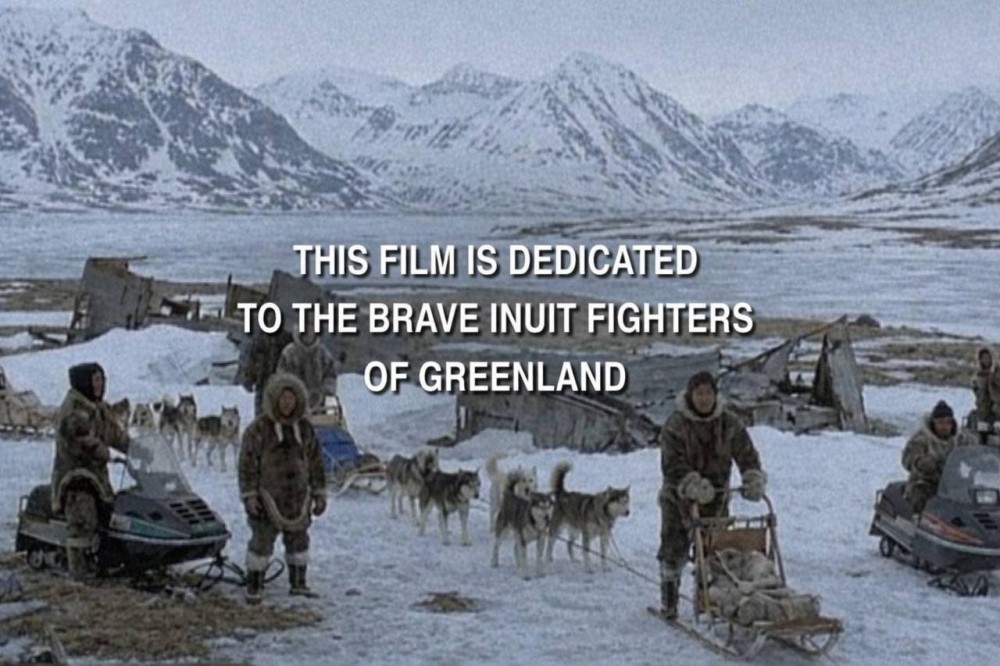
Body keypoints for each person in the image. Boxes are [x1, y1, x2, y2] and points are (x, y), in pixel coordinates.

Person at [657, 371, 767, 619]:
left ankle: (710, 600)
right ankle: (669, 600)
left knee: (716, 551)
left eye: (708, 393)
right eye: (699, 393)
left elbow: (747, 454)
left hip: (717, 497)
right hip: (678, 498)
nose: (704, 399)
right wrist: (690, 483)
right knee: (673, 549)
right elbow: (671, 464)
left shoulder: (729, 423)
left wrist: (752, 477)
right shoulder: (675, 425)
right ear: (690, 395)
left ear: (715, 395)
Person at [238, 373, 327, 604]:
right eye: (283, 398)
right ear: (274, 399)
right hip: (266, 499)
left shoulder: (305, 429)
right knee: (262, 542)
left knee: (299, 541)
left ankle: (298, 583)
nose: (287, 403)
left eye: (291, 398)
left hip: (298, 498)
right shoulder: (258, 430)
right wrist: (250, 495)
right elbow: (247, 465)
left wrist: (319, 493)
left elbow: (316, 463)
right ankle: (254, 585)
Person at [51, 362, 130, 580]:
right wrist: (105, 452)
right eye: (95, 380)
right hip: (75, 476)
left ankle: (106, 560)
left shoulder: (98, 408)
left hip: (97, 476)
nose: (99, 385)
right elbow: (81, 440)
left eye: (102, 380)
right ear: (84, 382)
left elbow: (114, 433)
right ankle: (79, 571)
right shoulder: (73, 410)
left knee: (110, 516)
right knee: (83, 520)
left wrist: (136, 448)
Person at [902, 400, 964, 514]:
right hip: (925, 481)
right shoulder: (922, 438)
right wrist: (920, 462)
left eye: (948, 422)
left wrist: (983, 459)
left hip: (952, 482)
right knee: (920, 496)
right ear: (933, 423)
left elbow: (972, 450)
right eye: (940, 423)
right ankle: (918, 519)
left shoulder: (959, 439)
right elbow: (908, 458)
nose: (944, 426)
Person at [276, 319, 338, 413]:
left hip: (319, 403)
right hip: (294, 403)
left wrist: (327, 390)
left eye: (312, 330)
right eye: (307, 330)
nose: (309, 334)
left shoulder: (323, 353)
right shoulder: (289, 353)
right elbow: (282, 376)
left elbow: (330, 374)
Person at [240, 325, 293, 418]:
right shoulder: (258, 339)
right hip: (262, 382)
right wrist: (248, 378)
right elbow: (250, 360)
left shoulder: (286, 338)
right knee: (261, 416)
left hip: (280, 384)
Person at [972, 347, 1000, 441]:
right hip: (984, 412)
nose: (986, 360)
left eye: (988, 357)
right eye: (983, 358)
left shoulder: (997, 373)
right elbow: (978, 394)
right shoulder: (978, 375)